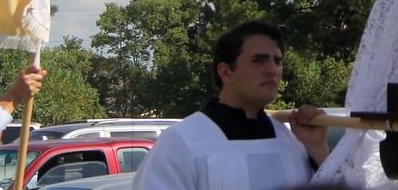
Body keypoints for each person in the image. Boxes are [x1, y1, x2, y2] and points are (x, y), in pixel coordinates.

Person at [132, 21, 330, 190]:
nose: (272, 70)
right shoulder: (182, 142)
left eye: (277, 61)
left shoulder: (292, 142)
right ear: (226, 72)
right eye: (259, 61)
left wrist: (317, 149)